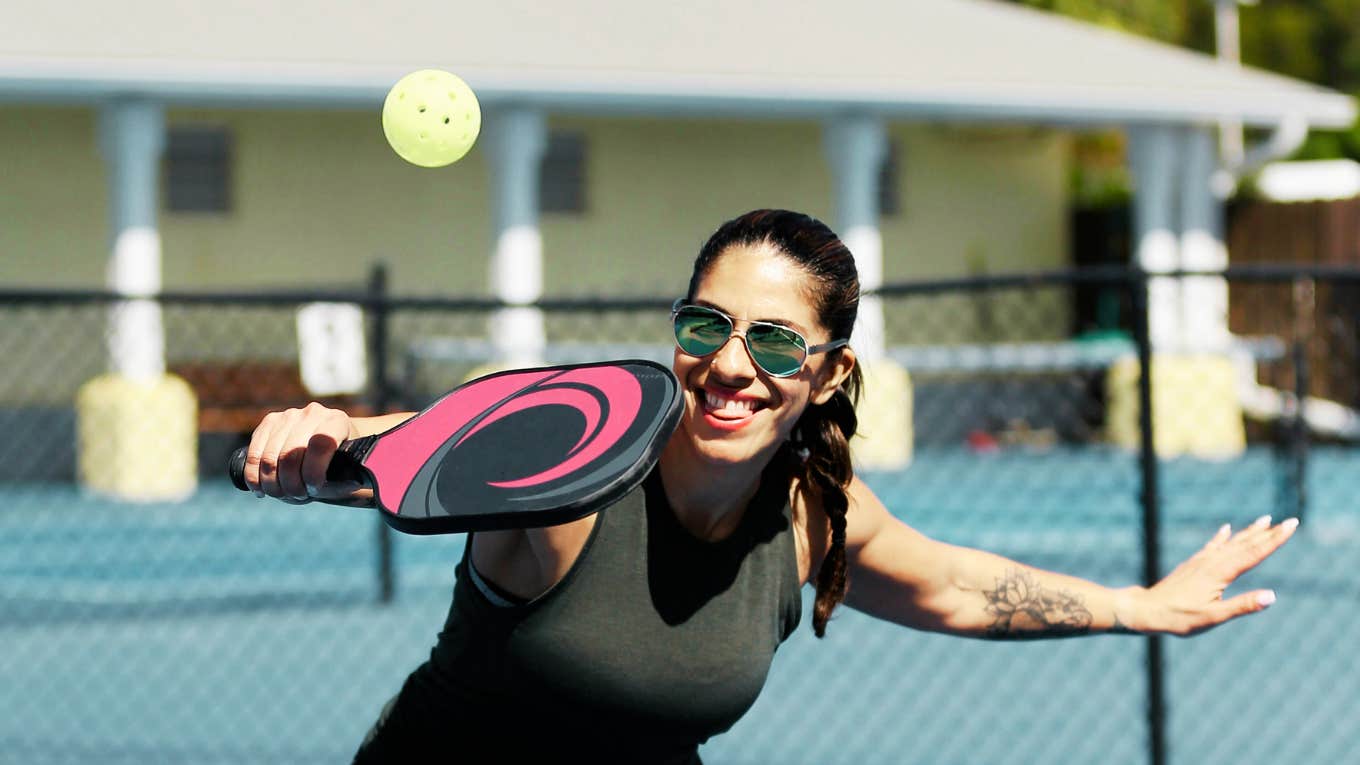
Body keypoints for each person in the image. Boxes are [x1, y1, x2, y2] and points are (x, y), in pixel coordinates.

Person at [241, 209, 1297, 764]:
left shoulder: (809, 517)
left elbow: (951, 588)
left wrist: (1136, 608)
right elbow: (420, 439)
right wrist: (321, 437)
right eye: (707, 326)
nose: (732, 363)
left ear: (828, 371)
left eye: (776, 342)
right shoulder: (566, 465)